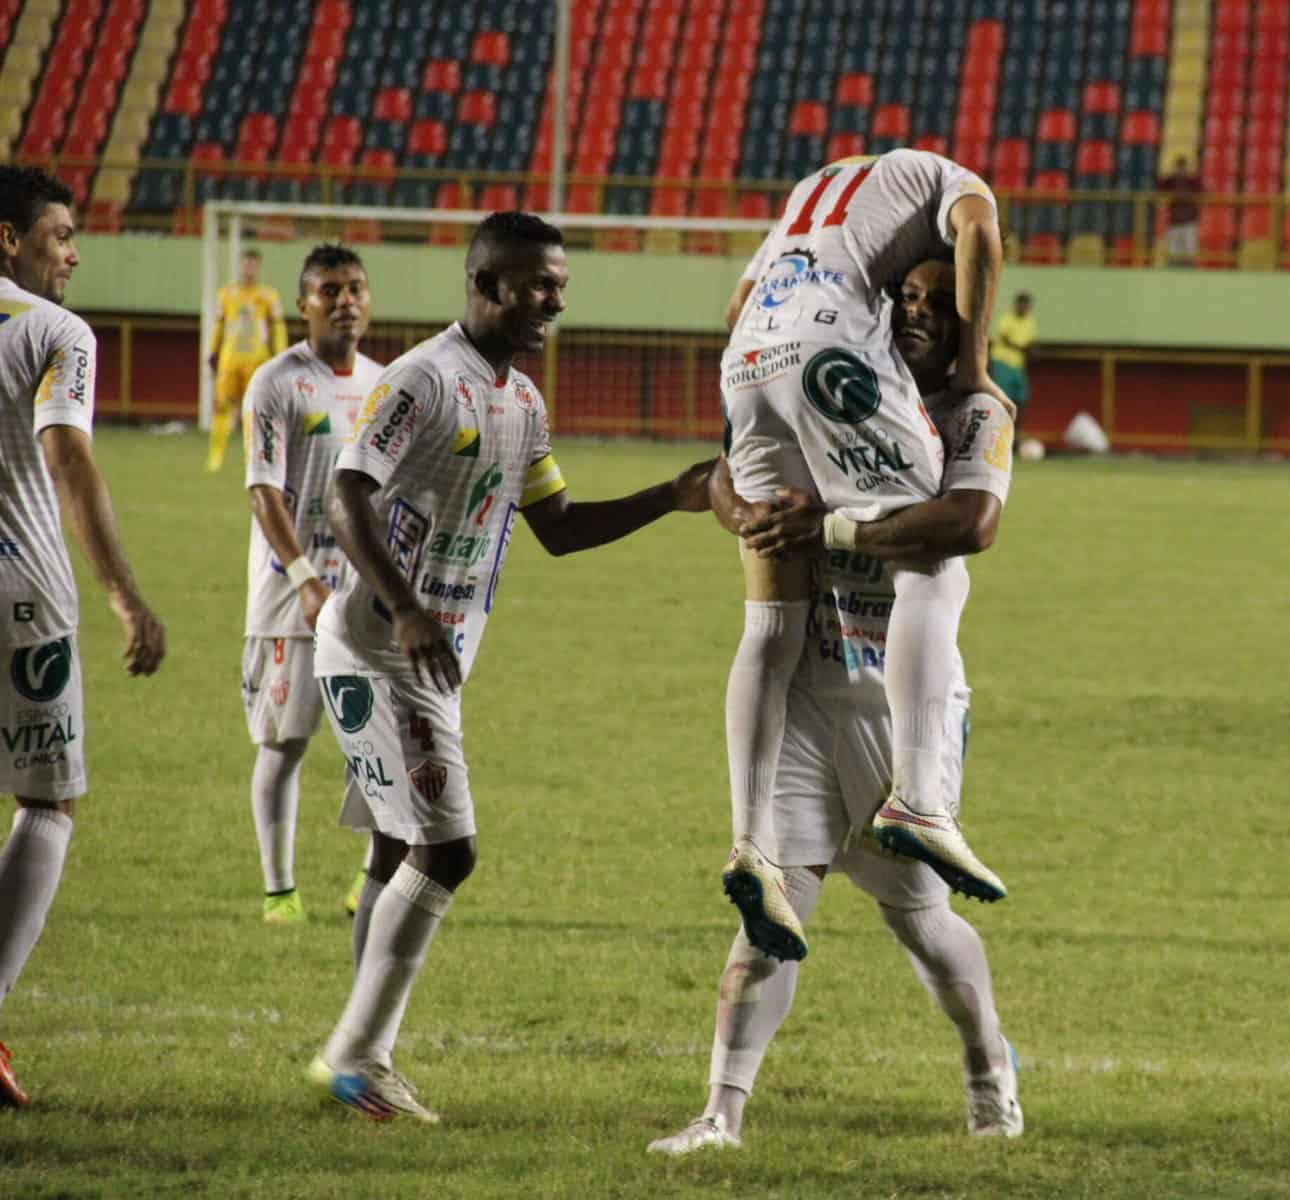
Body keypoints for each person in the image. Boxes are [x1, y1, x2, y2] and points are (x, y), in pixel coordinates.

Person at [303, 211, 714, 1122]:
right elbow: (345, 492)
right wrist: (407, 608)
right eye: (538, 285)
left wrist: (673, 498)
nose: (554, 300)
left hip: (430, 659)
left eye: (560, 285)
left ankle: (364, 1050)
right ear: (485, 285)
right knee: (447, 852)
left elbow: (559, 530)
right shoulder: (422, 380)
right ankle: (356, 1055)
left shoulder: (523, 401)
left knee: (394, 850)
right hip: (380, 647)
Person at [649, 254, 1021, 1155]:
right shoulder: (821, 387)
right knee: (771, 912)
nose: (922, 315)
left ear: (969, 316)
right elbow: (735, 471)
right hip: (810, 694)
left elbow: (966, 522)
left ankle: (990, 1078)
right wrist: (747, 514)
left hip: (903, 715)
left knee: (925, 924)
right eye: (909, 300)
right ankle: (721, 1114)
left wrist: (833, 523)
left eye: (942, 303)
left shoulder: (977, 412)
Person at [715, 149, 1009, 967]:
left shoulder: (812, 193)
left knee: (769, 622)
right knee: (928, 550)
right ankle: (918, 798)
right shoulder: (948, 177)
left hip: (746, 360)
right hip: (828, 352)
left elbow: (739, 303)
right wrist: (976, 367)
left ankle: (749, 842)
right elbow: (980, 231)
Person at [0, 165, 166, 1107]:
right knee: (46, 802)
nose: (73, 250)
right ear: (7, 240)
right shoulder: (55, 332)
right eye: (59, 233)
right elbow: (66, 459)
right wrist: (126, 597)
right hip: (25, 603)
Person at [239, 244, 383, 925]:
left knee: (384, 740)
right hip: (290, 599)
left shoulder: (388, 386)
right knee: (286, 743)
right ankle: (279, 890)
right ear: (304, 305)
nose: (344, 301)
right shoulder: (275, 382)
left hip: (365, 600)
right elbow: (263, 494)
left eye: (355, 288)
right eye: (330, 290)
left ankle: (370, 882)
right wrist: (302, 579)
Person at [207, 248, 288, 472]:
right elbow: (219, 326)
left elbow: (277, 328)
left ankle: (254, 457)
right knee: (221, 404)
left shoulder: (268, 296)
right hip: (230, 359)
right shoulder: (226, 294)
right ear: (240, 265)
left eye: (253, 264)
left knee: (256, 409)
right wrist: (213, 350)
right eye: (246, 264)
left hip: (257, 360)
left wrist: (280, 353)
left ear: (258, 267)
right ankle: (216, 457)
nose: (249, 268)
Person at [987, 291, 1036, 417]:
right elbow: (1005, 339)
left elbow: (1031, 343)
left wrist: (1026, 349)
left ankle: (1015, 432)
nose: (1023, 308)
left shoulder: (1030, 322)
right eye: (1021, 304)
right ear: (1016, 305)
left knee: (1021, 399)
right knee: (1002, 399)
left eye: (1026, 305)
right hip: (1002, 363)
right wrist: (1021, 347)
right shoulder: (1006, 319)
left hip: (1018, 366)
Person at [1155, 154, 1201, 265]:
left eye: (1183, 168)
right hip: (1174, 221)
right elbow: (1159, 186)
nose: (1181, 171)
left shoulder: (1192, 182)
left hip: (1190, 221)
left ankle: (1190, 274)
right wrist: (1171, 175)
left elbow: (1204, 191)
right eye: (1179, 168)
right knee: (1172, 252)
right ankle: (1172, 274)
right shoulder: (1171, 181)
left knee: (1190, 252)